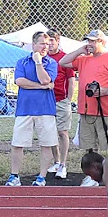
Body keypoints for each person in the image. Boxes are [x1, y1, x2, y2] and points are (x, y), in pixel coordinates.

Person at [59, 30, 108, 187]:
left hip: (107, 111)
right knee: (90, 146)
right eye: (88, 41)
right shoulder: (83, 60)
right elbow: (63, 62)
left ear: (102, 42)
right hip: (87, 111)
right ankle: (93, 175)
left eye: (93, 41)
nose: (89, 44)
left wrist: (106, 90)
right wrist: (79, 51)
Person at [6, 31, 58, 187]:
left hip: (46, 109)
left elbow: (45, 79)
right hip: (25, 109)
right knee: (18, 143)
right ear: (33, 44)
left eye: (47, 44)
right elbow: (20, 81)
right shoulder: (21, 62)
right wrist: (42, 87)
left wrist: (38, 63)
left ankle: (42, 177)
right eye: (42, 43)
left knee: (46, 143)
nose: (45, 47)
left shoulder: (51, 63)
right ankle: (14, 176)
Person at [44, 28, 76, 179]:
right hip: (46, 99)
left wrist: (68, 99)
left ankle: (63, 164)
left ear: (57, 41)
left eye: (52, 40)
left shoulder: (64, 58)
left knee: (62, 132)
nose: (49, 44)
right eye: (47, 40)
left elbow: (71, 80)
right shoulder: (42, 58)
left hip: (61, 100)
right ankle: (56, 161)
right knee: (50, 133)